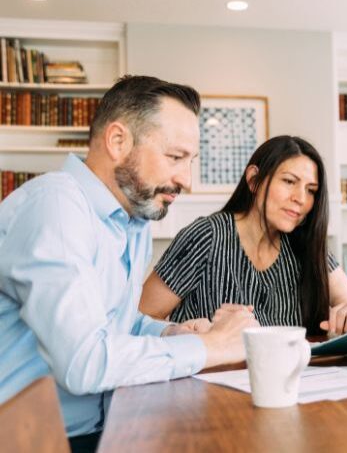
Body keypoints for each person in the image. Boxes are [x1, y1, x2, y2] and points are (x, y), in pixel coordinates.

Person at [0, 75, 259, 452]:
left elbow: (114, 322)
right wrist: (214, 347)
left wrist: (173, 334)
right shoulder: (55, 206)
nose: (186, 179)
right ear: (118, 141)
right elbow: (84, 362)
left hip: (99, 430)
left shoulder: (130, 219)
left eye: (190, 161)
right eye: (175, 157)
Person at [139, 135, 347, 336]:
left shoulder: (306, 245)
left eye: (311, 190)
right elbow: (140, 318)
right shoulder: (206, 236)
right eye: (289, 181)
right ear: (254, 180)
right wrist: (195, 332)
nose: (301, 199)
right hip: (208, 383)